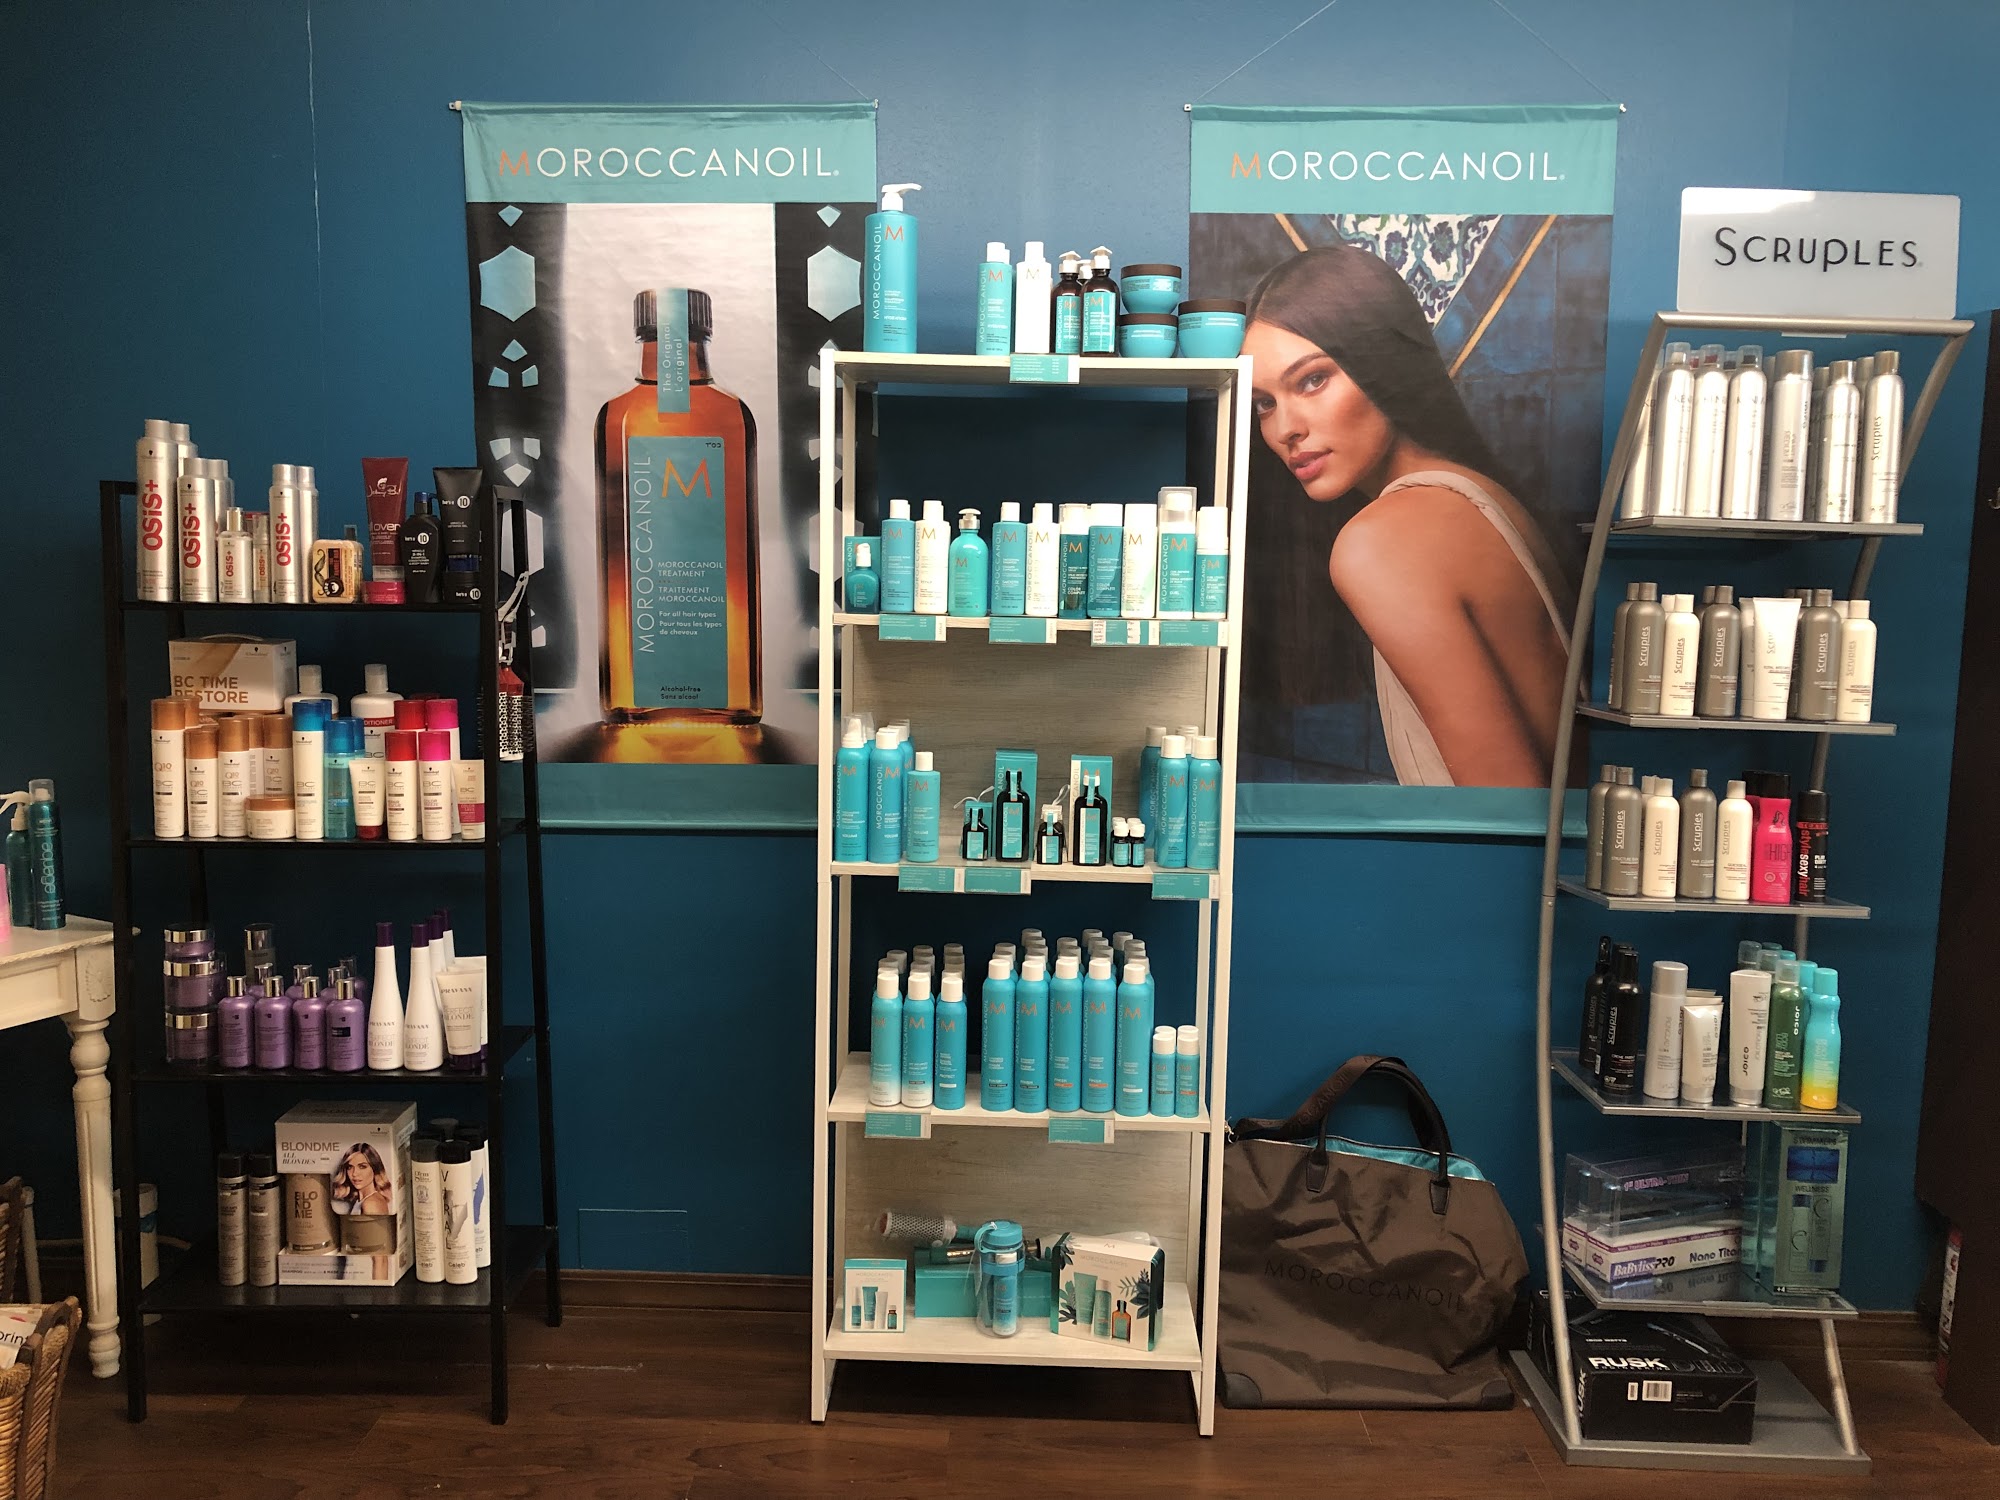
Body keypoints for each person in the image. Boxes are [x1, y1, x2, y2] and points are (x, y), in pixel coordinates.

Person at [1242, 243, 1573, 787]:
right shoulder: (1479, 496)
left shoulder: (1385, 539)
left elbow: (1501, 811)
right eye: (1264, 403)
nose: (1285, 429)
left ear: (1381, 364)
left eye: (1312, 380)